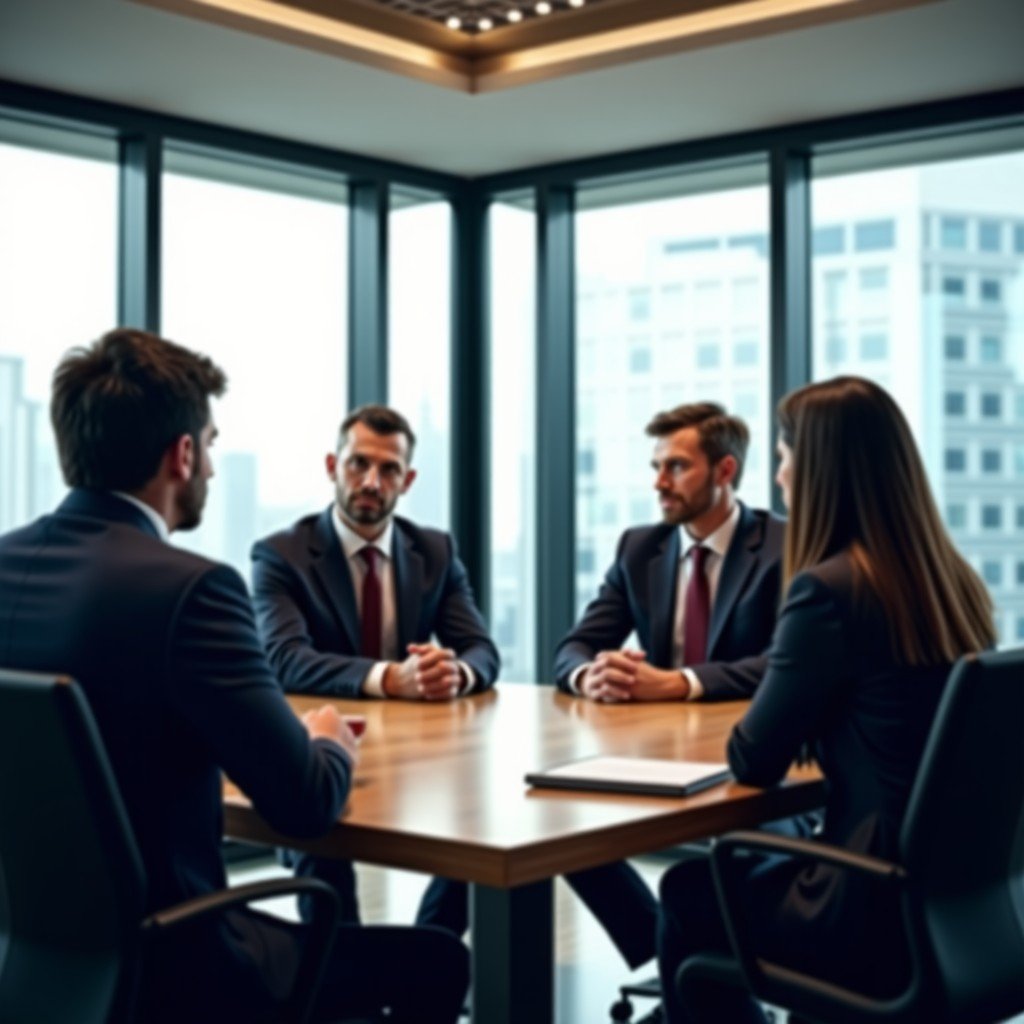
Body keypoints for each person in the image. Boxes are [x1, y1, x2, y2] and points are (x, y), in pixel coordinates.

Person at [0, 329, 468, 1024]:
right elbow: (305, 804)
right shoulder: (191, 590)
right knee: (438, 958)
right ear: (182, 454)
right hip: (182, 958)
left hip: (31, 955)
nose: (214, 469)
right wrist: (331, 740)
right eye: (211, 444)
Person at [657, 376, 996, 1024]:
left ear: (818, 472)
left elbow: (753, 758)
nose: (779, 478)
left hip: (864, 907)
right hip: (960, 909)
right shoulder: (955, 585)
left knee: (687, 891)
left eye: (785, 458)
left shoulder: (828, 592)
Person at [549, 402, 789, 974]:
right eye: (656, 466)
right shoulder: (642, 548)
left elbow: (783, 664)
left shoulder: (784, 544)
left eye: (676, 467)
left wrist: (679, 684)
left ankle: (694, 966)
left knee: (746, 856)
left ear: (725, 471)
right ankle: (667, 953)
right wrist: (593, 674)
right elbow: (572, 647)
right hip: (657, 762)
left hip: (756, 764)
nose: (659, 482)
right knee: (555, 824)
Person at [250, 404, 499, 931]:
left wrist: (455, 672)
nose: (371, 481)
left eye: (388, 470)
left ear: (407, 481)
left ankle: (426, 974)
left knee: (487, 828)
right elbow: (284, 659)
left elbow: (481, 650)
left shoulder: (434, 551)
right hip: (317, 751)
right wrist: (390, 678)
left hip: (414, 759)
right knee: (322, 849)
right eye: (358, 464)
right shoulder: (281, 555)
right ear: (330, 466)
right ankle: (342, 993)